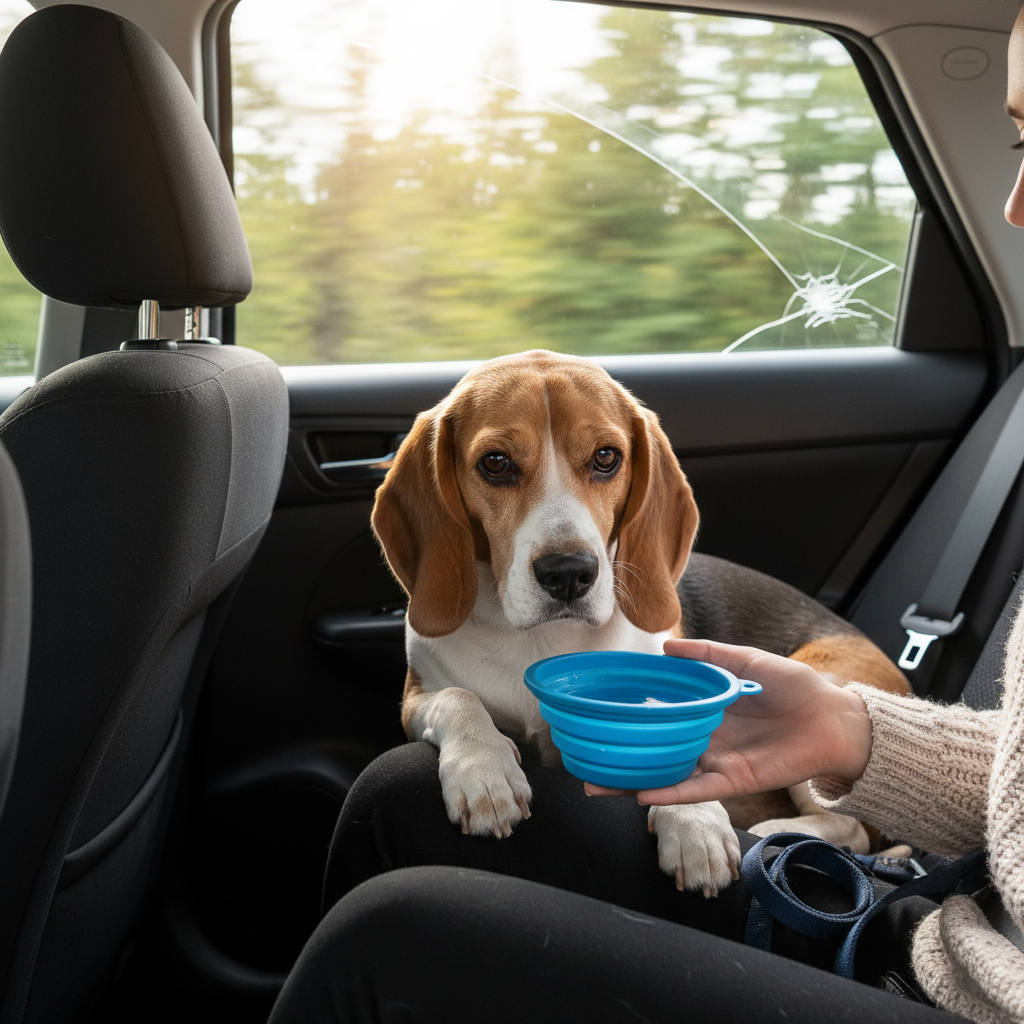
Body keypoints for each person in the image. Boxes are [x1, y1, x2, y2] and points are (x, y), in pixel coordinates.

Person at [267, 8, 1024, 1022]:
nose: (1011, 205)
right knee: (398, 790)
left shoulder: (639, 593)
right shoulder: (441, 547)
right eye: (1015, 143)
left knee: (379, 942)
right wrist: (853, 733)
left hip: (948, 971)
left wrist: (804, 814)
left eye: (597, 468)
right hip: (922, 918)